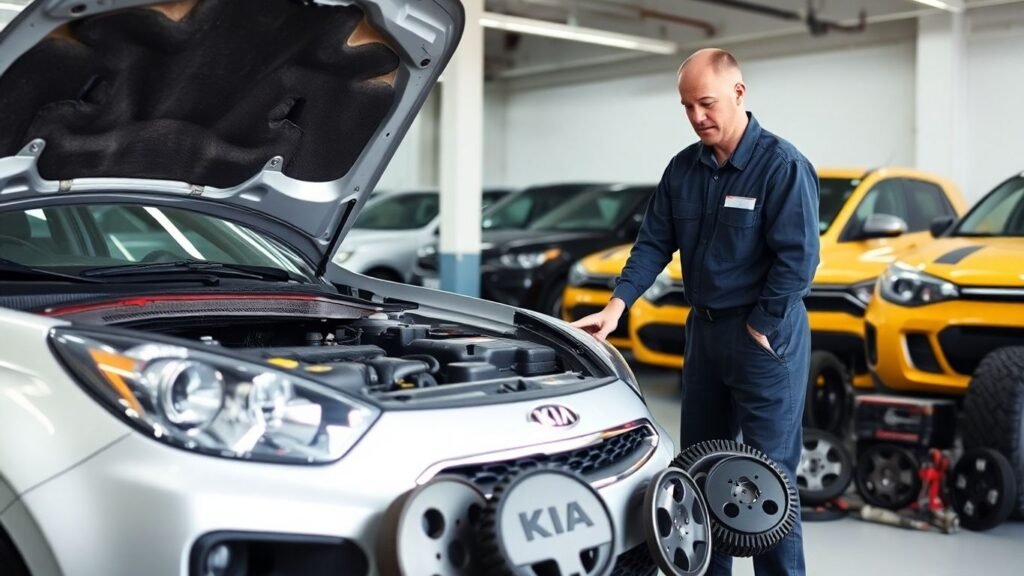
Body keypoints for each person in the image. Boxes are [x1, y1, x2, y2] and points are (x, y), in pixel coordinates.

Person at [571, 48, 819, 576]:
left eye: (705, 103)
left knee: (767, 485)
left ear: (738, 92)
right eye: (686, 106)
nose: (697, 117)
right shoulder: (683, 169)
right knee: (702, 474)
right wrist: (617, 306)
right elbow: (652, 243)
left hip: (764, 341)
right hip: (704, 338)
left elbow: (798, 262)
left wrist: (760, 327)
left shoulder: (782, 167)